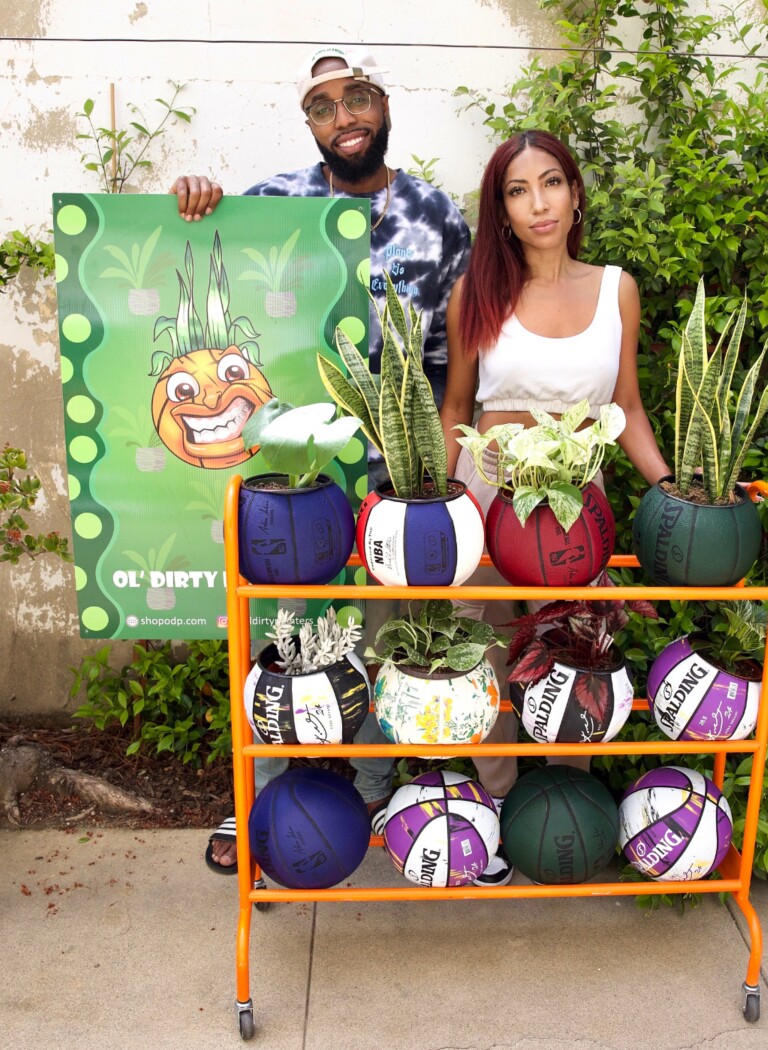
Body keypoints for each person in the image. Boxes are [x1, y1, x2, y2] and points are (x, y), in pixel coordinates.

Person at [172, 46, 471, 875]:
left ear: (383, 107)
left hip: (389, 470)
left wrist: (431, 470)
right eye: (324, 106)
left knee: (379, 632)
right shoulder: (274, 203)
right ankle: (262, 798)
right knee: (282, 629)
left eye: (359, 98)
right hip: (294, 471)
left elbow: (453, 358)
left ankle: (370, 789)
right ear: (310, 122)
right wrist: (195, 200)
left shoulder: (436, 214)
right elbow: (198, 256)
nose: (345, 117)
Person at [439, 130, 670, 885]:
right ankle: (500, 808)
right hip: (489, 498)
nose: (537, 203)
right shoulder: (477, 292)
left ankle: (562, 805)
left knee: (574, 658)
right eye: (516, 190)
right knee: (489, 661)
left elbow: (628, 405)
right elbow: (456, 410)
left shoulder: (616, 289)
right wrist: (425, 507)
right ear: (500, 212)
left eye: (551, 184)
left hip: (577, 511)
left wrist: (675, 489)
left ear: (574, 195)